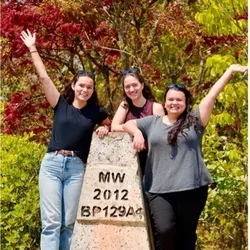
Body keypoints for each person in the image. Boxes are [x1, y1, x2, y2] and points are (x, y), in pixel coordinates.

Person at [122, 64, 248, 250]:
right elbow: (128, 124)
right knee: (165, 232)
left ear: (185, 102)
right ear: (164, 103)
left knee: (186, 237)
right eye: (170, 99)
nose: (174, 103)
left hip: (192, 189)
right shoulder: (152, 122)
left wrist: (229, 70)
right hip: (158, 190)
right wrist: (138, 133)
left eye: (179, 100)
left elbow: (211, 95)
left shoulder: (195, 122)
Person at [20, 29, 111, 250]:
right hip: (52, 165)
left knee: (69, 224)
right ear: (73, 86)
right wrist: (33, 48)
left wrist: (102, 128)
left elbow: (111, 124)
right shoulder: (60, 105)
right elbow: (43, 77)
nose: (85, 89)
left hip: (76, 168)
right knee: (51, 223)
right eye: (81, 85)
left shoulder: (96, 112)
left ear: (92, 90)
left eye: (89, 87)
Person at [111, 68, 165, 174]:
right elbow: (114, 127)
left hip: (152, 161)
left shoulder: (156, 108)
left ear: (142, 85)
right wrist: (136, 131)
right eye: (127, 87)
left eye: (135, 85)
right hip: (129, 160)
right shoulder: (125, 105)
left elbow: (161, 136)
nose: (131, 89)